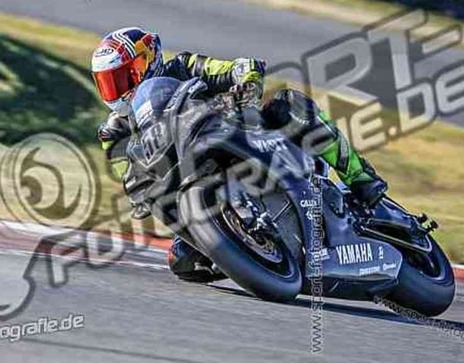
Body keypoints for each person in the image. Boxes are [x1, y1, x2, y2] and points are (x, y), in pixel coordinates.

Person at [91, 27, 387, 283]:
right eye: (109, 82)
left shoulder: (183, 67)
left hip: (242, 136)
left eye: (125, 77)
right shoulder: (113, 132)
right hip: (190, 184)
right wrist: (140, 193)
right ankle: (257, 255)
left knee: (288, 104)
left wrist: (246, 83)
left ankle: (361, 178)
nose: (120, 90)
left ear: (148, 61)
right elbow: (129, 176)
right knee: (183, 261)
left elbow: (242, 67)